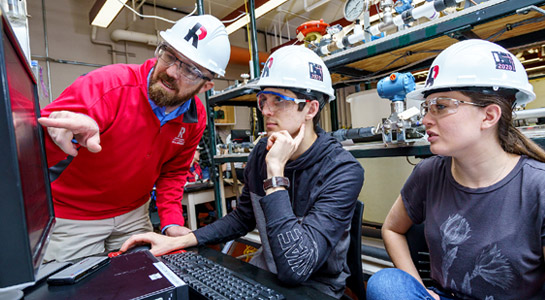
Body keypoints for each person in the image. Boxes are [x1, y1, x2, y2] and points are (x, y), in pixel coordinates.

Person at [122, 45, 365, 298]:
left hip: (314, 288)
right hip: (266, 273)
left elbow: (296, 268)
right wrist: (181, 240)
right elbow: (243, 218)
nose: (266, 112)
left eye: (279, 101)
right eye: (264, 100)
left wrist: (275, 175)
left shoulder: (342, 170)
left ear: (311, 109)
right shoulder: (261, 151)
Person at [37, 15, 230, 262]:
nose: (171, 72)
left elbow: (172, 173)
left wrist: (171, 222)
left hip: (133, 215)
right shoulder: (105, 86)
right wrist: (55, 137)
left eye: (190, 70)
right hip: (74, 218)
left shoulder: (196, 117)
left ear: (206, 86)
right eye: (170, 56)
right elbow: (29, 153)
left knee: (144, 281)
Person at [366, 39, 545, 299]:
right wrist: (420, 289)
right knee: (386, 284)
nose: (425, 119)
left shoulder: (537, 187)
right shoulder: (429, 174)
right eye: (427, 107)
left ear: (489, 116)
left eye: (441, 106)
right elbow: (392, 229)